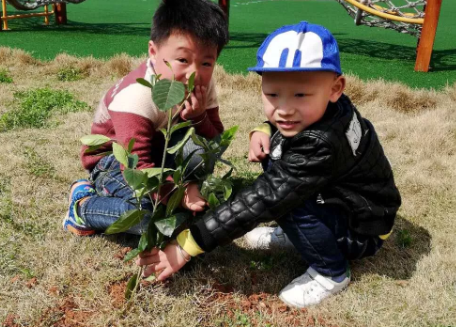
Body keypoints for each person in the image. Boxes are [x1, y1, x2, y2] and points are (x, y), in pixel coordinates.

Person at [137, 21, 402, 308]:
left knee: (283, 197)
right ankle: (300, 235)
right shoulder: (333, 109)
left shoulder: (320, 144)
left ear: (335, 88)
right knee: (276, 163)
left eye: (301, 95)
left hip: (361, 232)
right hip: (363, 210)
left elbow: (261, 200)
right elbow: (288, 130)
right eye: (273, 94)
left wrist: (188, 245)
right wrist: (264, 130)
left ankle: (331, 272)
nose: (284, 109)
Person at [62, 0, 229, 236]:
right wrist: (178, 193)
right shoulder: (136, 97)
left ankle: (175, 192)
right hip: (115, 161)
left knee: (204, 152)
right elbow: (137, 166)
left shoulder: (202, 83)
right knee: (148, 218)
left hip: (159, 149)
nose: (194, 73)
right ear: (153, 51)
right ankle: (84, 207)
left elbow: (216, 141)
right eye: (182, 60)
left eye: (206, 63)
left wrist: (199, 117)